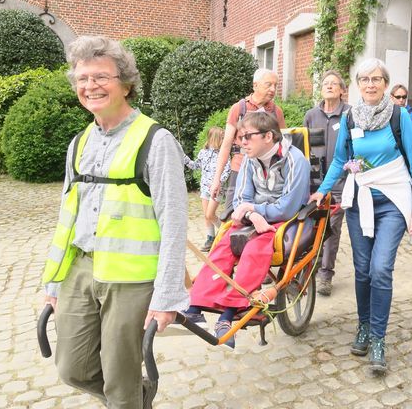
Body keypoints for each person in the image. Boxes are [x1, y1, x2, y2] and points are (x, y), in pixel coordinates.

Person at [41, 36, 189, 408]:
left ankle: (129, 400)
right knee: (72, 368)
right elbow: (67, 216)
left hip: (131, 278)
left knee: (119, 383)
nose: (90, 86)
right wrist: (53, 282)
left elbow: (174, 224)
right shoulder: (78, 143)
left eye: (101, 77)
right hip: (82, 267)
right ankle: (138, 399)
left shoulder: (156, 141)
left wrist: (168, 295)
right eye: (82, 78)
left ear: (125, 83)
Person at [309, 58, 412, 374]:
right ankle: (363, 326)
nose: (371, 84)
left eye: (377, 79)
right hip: (360, 202)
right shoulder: (350, 119)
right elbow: (340, 160)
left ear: (385, 84)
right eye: (365, 79)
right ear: (358, 85)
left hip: (391, 202)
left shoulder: (399, 117)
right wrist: (322, 190)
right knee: (362, 271)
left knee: (380, 269)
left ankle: (377, 338)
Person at [186, 112, 310, 348]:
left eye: (247, 137)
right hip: (254, 217)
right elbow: (242, 198)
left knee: (255, 248)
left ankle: (230, 312)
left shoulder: (296, 160)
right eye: (240, 137)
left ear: (268, 136)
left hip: (287, 221)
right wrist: (252, 213)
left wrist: (253, 209)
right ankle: (196, 306)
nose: (241, 142)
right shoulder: (249, 159)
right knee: (224, 243)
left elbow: (288, 207)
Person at [209, 69, 286, 211]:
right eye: (268, 85)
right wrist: (217, 179)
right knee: (232, 214)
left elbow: (284, 144)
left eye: (275, 85)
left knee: (263, 214)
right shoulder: (239, 108)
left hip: (268, 173)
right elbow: (226, 146)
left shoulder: (276, 112)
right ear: (255, 85)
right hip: (240, 167)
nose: (273, 89)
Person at [303, 70, 351, 297]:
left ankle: (325, 274)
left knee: (331, 228)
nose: (329, 86)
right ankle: (312, 264)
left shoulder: (350, 114)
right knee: (312, 226)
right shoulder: (311, 115)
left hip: (340, 183)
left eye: (334, 84)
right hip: (314, 183)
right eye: (325, 83)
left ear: (343, 90)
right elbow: (303, 148)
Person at [184, 126, 231, 251]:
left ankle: (225, 233)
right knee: (206, 215)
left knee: (210, 214)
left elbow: (227, 171)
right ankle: (210, 238)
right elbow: (195, 166)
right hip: (204, 188)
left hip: (217, 189)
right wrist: (184, 159)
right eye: (221, 137)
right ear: (214, 138)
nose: (224, 139)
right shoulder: (203, 152)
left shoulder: (224, 153)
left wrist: (219, 182)